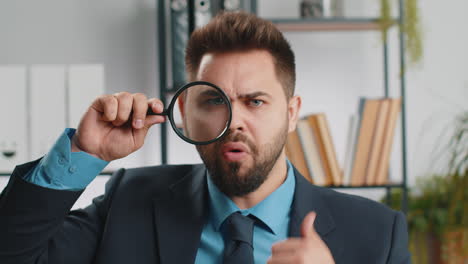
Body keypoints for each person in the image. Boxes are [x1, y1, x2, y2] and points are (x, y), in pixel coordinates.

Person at [0, 12, 411, 264]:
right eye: (214, 101)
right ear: (184, 113)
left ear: (290, 114)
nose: (235, 123)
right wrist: (83, 152)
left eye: (256, 101)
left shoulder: (377, 232)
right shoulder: (130, 200)